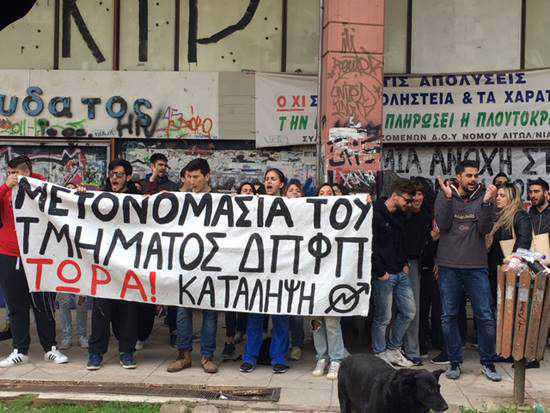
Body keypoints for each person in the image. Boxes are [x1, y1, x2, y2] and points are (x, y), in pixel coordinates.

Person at [435, 160, 501, 382]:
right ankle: (454, 362)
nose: (473, 179)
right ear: (459, 177)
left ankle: (488, 363)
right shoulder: (445, 194)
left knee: (485, 316)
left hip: (476, 266)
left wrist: (487, 203)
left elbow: (484, 228)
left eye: (475, 175)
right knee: (449, 316)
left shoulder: (485, 195)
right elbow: (443, 225)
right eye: (468, 176)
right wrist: (447, 199)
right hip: (449, 266)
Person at [0, 156, 68, 367]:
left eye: (16, 172)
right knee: (16, 305)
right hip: (10, 254)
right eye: (10, 172)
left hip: (39, 255)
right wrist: (5, 187)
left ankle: (50, 348)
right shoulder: (5, 191)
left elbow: (65, 202)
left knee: (43, 304)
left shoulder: (42, 187)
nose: (13, 176)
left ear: (27, 172)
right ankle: (20, 350)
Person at [87, 159, 141, 370]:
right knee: (101, 310)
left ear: (128, 177)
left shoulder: (137, 199)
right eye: (111, 174)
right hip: (104, 265)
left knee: (129, 311)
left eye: (119, 174)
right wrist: (79, 196)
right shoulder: (99, 198)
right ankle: (95, 353)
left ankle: (127, 352)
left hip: (128, 266)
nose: (114, 178)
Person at [167, 158, 218, 374]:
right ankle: (184, 355)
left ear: (207, 176)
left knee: (210, 312)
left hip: (211, 264)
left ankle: (207, 356)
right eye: (188, 177)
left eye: (196, 177)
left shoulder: (219, 200)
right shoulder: (182, 199)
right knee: (182, 311)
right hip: (185, 263)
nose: (192, 181)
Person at [240, 168, 290, 374]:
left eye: (273, 179)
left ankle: (278, 357)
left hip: (281, 269)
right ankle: (249, 357)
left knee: (280, 316)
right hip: (258, 270)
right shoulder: (253, 204)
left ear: (281, 184)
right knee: (255, 317)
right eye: (267, 179)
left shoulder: (292, 205)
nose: (269, 182)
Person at [371, 178, 416, 368]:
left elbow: (402, 241)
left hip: (400, 271)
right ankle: (380, 353)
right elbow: (370, 245)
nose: (409, 204)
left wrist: (404, 263)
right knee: (383, 317)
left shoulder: (401, 215)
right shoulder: (374, 212)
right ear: (395, 195)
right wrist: (379, 271)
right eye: (407, 199)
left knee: (409, 312)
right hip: (384, 274)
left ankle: (393, 349)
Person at [311, 184, 349, 379]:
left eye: (329, 193)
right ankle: (321, 357)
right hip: (311, 277)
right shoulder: (308, 217)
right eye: (321, 193)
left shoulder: (343, 218)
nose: (325, 196)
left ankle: (336, 359)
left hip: (332, 276)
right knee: (316, 322)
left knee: (333, 322)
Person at [220, 182, 254, 361]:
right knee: (230, 302)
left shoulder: (258, 210)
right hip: (231, 263)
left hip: (251, 264)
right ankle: (230, 338)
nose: (247, 193)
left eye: (250, 191)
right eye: (244, 190)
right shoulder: (230, 210)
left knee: (245, 300)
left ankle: (241, 330)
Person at [402, 180, 433, 366]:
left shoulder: (427, 216)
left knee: (412, 309)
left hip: (414, 265)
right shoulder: (400, 214)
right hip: (397, 264)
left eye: (420, 194)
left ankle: (412, 350)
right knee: (392, 311)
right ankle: (393, 348)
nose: (417, 198)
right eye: (414, 194)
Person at [56, 182, 89, 350]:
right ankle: (67, 336)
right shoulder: (56, 212)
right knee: (63, 303)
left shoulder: (82, 213)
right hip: (62, 264)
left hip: (81, 263)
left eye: (72, 190)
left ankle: (82, 335)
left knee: (81, 303)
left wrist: (82, 194)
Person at [487, 184, 532, 302]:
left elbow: (524, 240)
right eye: (497, 195)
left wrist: (513, 263)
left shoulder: (520, 215)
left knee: (509, 306)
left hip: (511, 271)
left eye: (502, 196)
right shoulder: (499, 216)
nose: (498, 198)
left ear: (512, 198)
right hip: (495, 270)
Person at [284, 182, 305, 361]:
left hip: (300, 267)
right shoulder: (276, 208)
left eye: (298, 191)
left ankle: (297, 344)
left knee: (296, 310)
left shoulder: (308, 210)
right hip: (281, 266)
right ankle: (284, 344)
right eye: (291, 190)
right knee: (281, 309)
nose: (295, 193)